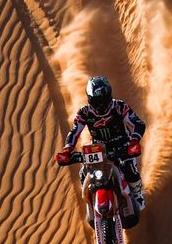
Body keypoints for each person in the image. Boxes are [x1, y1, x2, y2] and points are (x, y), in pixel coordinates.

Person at [57, 76, 146, 212]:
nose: (101, 105)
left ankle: (137, 195)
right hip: (98, 149)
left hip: (122, 144)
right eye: (97, 101)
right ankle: (91, 200)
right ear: (90, 99)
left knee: (129, 168)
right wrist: (67, 150)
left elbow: (138, 124)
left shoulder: (119, 107)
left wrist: (134, 141)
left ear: (110, 96)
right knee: (83, 172)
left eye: (104, 100)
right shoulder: (84, 112)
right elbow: (75, 131)